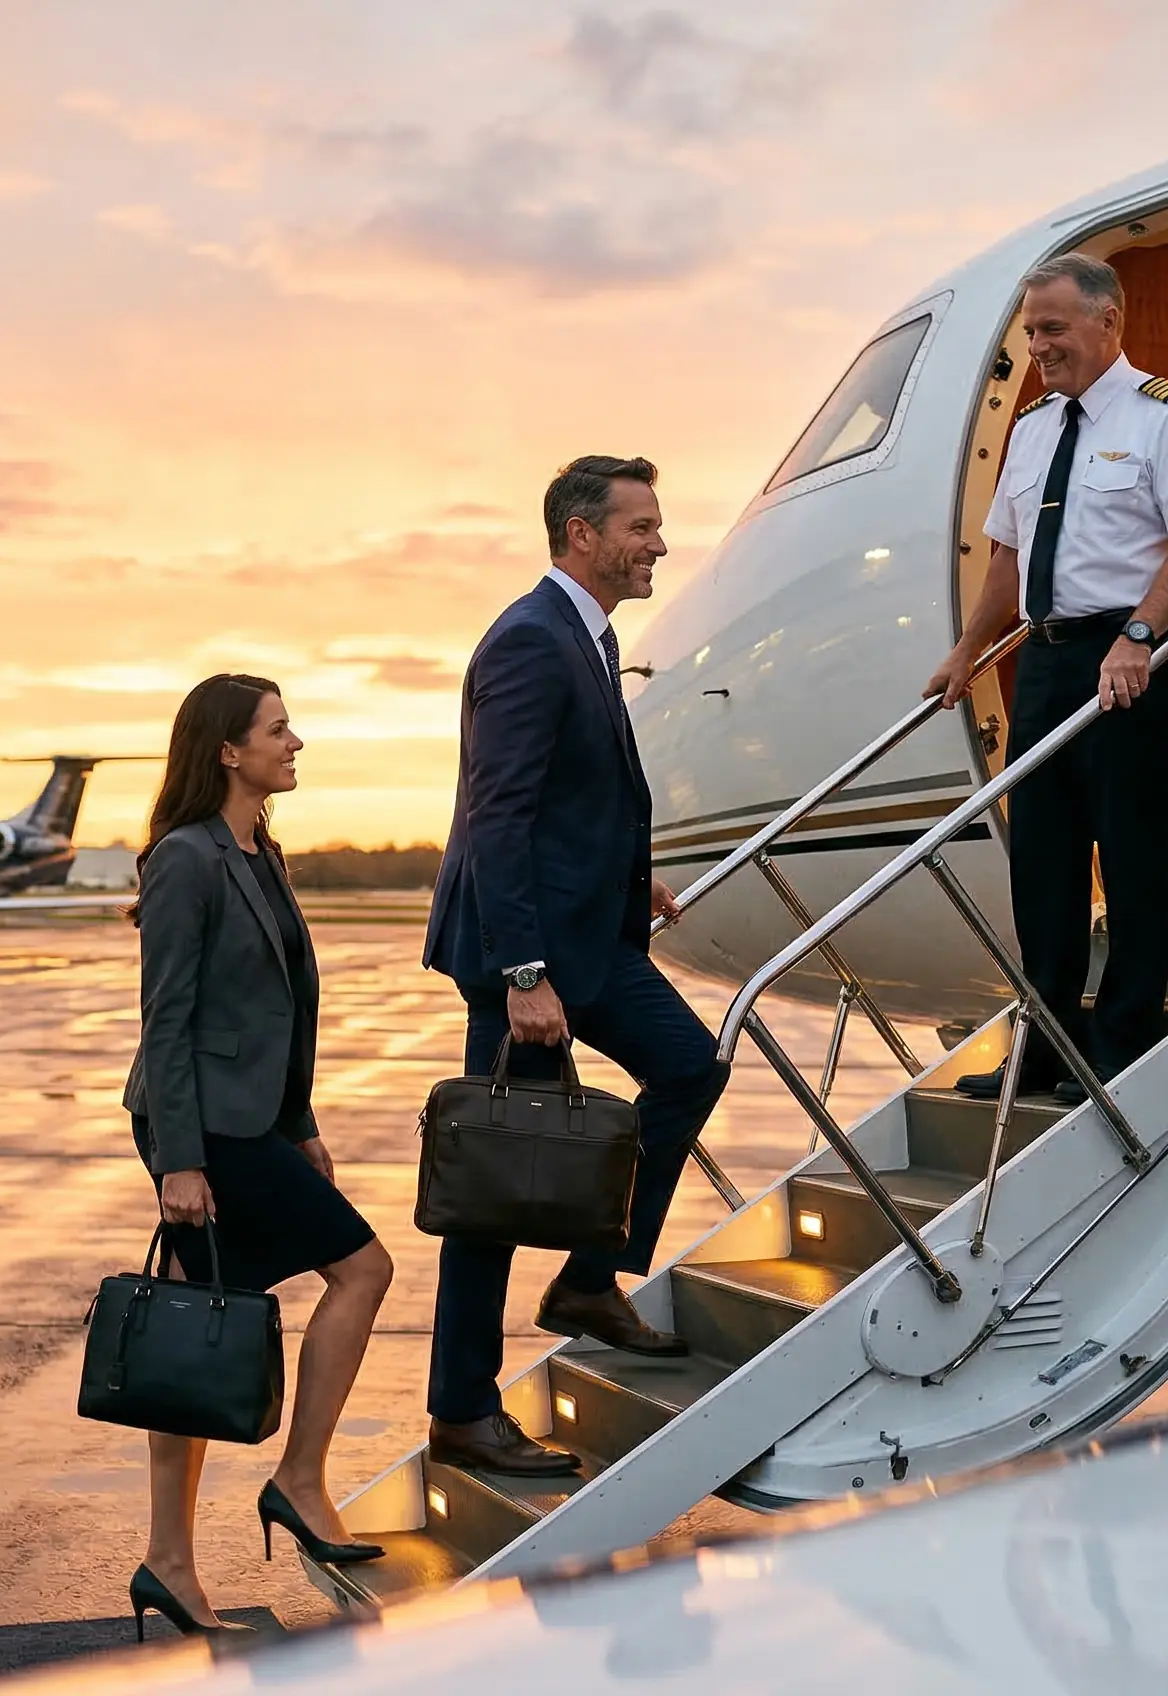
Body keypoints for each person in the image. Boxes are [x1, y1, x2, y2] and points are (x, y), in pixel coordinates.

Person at [421, 455, 734, 1477]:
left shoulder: (582, 638)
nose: (657, 544)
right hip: (530, 956)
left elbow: (564, 802)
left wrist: (621, 880)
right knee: (492, 1176)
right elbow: (498, 813)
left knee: (688, 1067)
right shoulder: (528, 638)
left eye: (656, 525)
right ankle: (461, 1409)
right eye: (639, 527)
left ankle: (591, 1277)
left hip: (584, 934)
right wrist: (520, 973)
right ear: (579, 533)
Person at [119, 673, 395, 1636]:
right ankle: (300, 1480)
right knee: (363, 1266)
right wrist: (181, 1164)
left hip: (255, 1122)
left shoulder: (259, 852)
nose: (296, 743)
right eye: (279, 730)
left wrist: (303, 1122)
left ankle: (168, 1562)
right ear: (228, 751)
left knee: (199, 1340)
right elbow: (169, 1023)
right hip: (203, 1129)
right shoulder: (187, 859)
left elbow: (286, 1005)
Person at [925, 253, 1168, 1103]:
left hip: (1132, 655)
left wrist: (1140, 633)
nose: (1039, 348)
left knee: (1131, 855)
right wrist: (969, 648)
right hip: (1050, 658)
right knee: (1044, 863)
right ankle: (1047, 1044)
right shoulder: (1029, 430)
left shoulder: (1167, 417)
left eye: (1052, 329)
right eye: (1030, 333)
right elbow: (1008, 558)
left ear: (1108, 322)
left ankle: (1123, 1040)